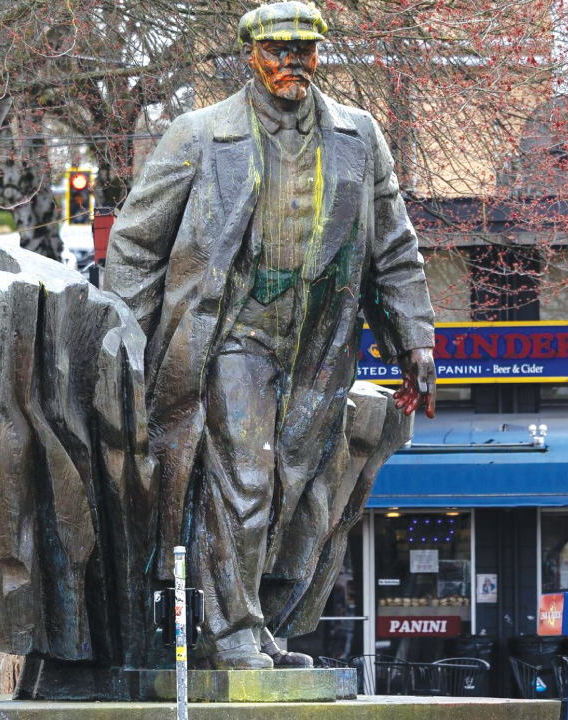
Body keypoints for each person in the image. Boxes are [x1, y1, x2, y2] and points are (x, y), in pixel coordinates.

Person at [103, 0, 435, 668]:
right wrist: (124, 343)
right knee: (246, 477)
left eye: (305, 50)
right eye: (278, 50)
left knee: (291, 482)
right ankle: (230, 633)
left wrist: (415, 339)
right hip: (231, 332)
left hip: (318, 340)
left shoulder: (359, 135)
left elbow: (394, 246)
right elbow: (137, 244)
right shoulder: (199, 135)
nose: (293, 63)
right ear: (250, 54)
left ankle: (248, 624)